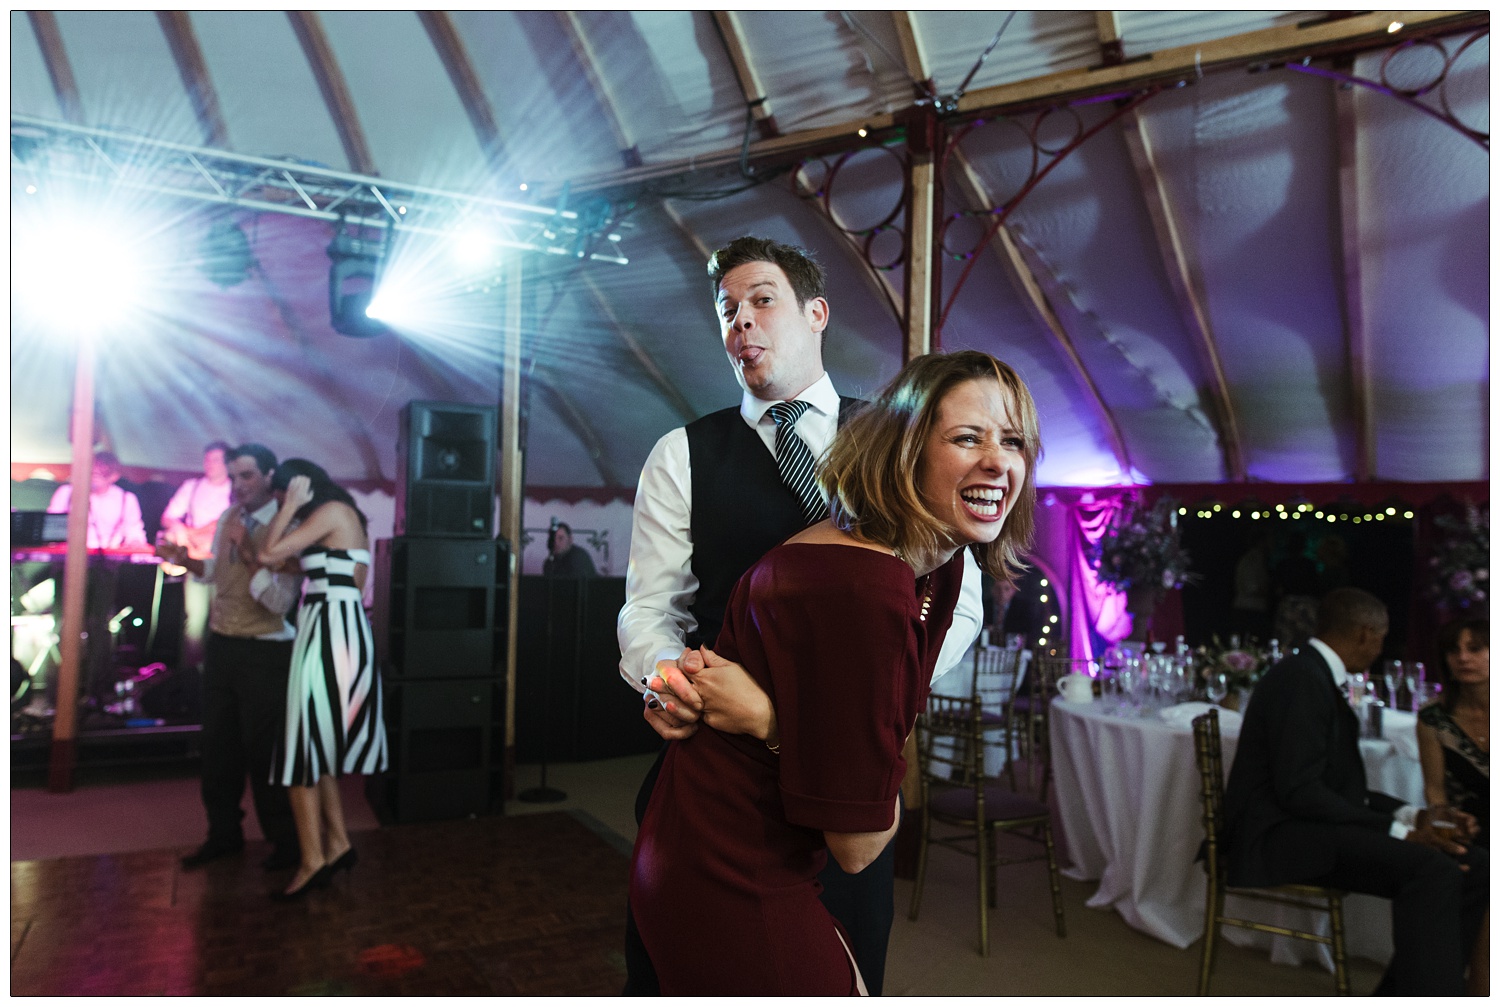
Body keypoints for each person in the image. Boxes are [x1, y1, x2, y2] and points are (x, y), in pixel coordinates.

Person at [616, 236, 984, 994]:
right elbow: (650, 611)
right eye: (727, 311)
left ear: (816, 312)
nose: (740, 322)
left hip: (846, 789)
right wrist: (665, 679)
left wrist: (858, 704)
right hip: (720, 786)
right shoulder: (682, 453)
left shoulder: (894, 439)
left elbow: (960, 602)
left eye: (761, 300)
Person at [1221, 587, 1488, 995]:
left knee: (1476, 865)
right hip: (1277, 836)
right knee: (1432, 866)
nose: (1379, 649)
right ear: (1366, 634)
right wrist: (1399, 832)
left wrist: (1414, 815)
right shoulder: (1301, 680)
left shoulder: (1312, 674)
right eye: (1380, 639)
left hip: (1304, 823)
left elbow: (1335, 789)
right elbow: (1300, 792)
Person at [158, 444, 302, 872]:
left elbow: (279, 601)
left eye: (247, 476)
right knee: (218, 749)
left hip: (265, 650)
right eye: (234, 476)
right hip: (223, 644)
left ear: (269, 476)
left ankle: (286, 844)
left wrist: (249, 554)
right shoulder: (227, 518)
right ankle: (223, 836)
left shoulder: (287, 524)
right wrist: (185, 561)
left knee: (263, 752)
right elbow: (216, 577)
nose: (238, 485)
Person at [256, 458, 387, 900]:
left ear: (299, 485)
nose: (282, 505)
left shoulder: (330, 513)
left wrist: (287, 505)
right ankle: (336, 844)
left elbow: (268, 553)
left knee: (302, 747)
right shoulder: (338, 519)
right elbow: (319, 569)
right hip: (333, 629)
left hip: (331, 633)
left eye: (283, 494)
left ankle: (313, 860)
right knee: (317, 748)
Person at [160, 441, 235, 670]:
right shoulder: (192, 487)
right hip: (196, 562)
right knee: (194, 620)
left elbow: (225, 523)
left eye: (216, 460)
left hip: (225, 563)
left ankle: (220, 671)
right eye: (207, 459)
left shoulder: (235, 489)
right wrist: (182, 531)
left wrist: (192, 531)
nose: (209, 464)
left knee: (223, 618)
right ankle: (192, 676)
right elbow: (168, 517)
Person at [1418, 618, 1489, 848]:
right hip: (1466, 831)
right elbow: (1435, 791)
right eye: (1453, 650)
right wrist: (1449, 827)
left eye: (1475, 649)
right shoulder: (1433, 717)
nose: (1463, 658)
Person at [47, 450, 147, 549]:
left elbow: (133, 528)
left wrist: (135, 541)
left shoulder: (127, 499)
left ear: (115, 476)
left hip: (109, 558)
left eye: (103, 472)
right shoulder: (66, 493)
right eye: (92, 471)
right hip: (69, 555)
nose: (96, 475)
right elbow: (51, 526)